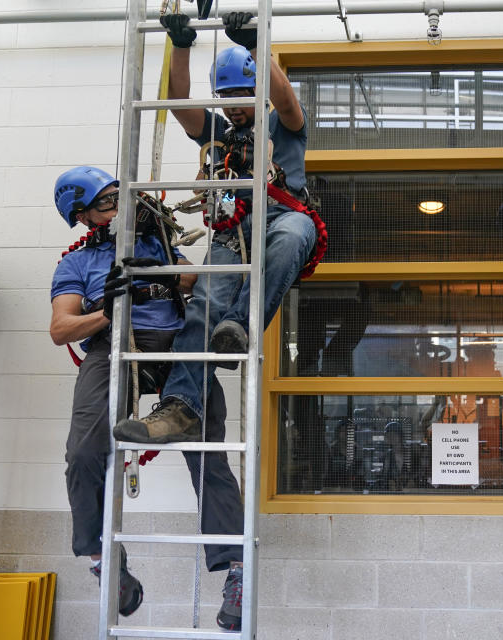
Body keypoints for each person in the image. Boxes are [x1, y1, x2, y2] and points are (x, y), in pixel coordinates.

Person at [50, 166, 246, 630]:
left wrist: (167, 270)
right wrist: (106, 307)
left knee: (208, 453)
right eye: (106, 203)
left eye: (120, 196)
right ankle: (103, 560)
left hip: (177, 347)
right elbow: (61, 329)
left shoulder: (160, 241)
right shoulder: (77, 264)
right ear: (83, 217)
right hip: (115, 347)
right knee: (82, 452)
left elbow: (202, 285)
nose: (118, 207)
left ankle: (236, 571)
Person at [113, 11, 315, 443]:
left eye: (242, 94)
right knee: (204, 304)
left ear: (257, 88)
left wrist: (259, 47)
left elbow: (285, 100)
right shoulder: (219, 132)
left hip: (284, 216)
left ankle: (238, 329)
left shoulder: (283, 126)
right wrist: (181, 48)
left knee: (290, 237)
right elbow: (179, 102)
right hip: (232, 232)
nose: (233, 104)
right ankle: (180, 406)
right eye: (225, 96)